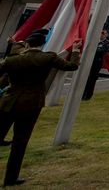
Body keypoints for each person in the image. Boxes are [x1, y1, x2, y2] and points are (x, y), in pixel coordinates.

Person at [0, 32, 81, 186]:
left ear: (27, 45)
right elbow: (72, 66)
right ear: (42, 44)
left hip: (8, 102)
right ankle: (10, 178)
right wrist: (76, 50)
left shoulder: (12, 60)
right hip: (32, 103)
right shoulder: (48, 58)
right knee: (20, 142)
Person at [82, 29, 109, 100]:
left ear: (106, 35)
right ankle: (83, 94)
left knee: (92, 80)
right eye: (100, 33)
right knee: (85, 79)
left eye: (103, 33)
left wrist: (93, 49)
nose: (101, 34)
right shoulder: (94, 41)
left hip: (97, 63)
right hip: (89, 62)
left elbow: (101, 51)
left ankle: (88, 96)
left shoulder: (106, 43)